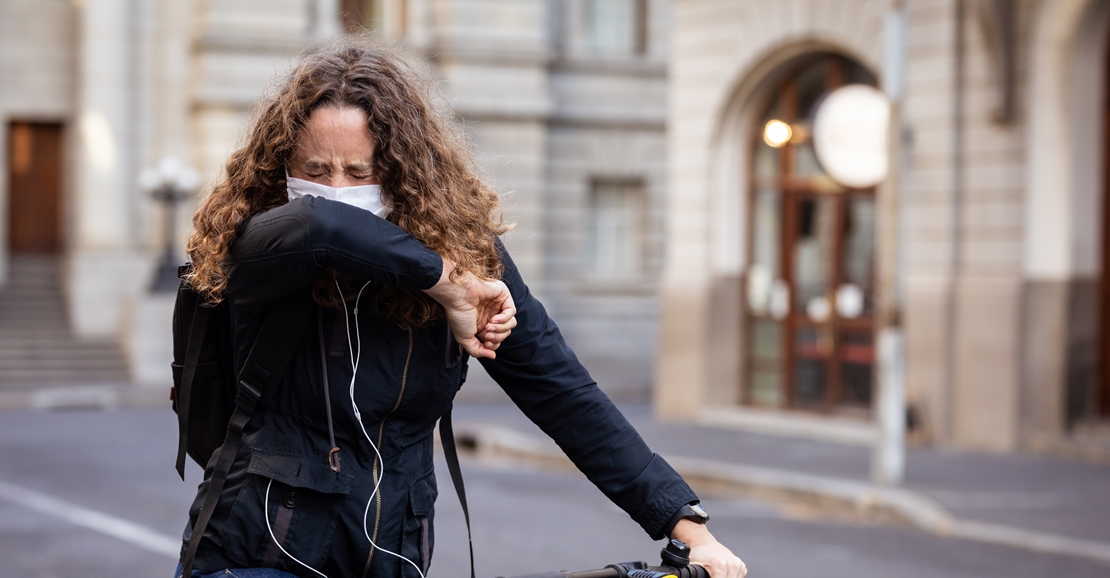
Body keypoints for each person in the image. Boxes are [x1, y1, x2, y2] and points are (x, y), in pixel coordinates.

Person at [178, 40, 747, 578]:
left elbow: (562, 390)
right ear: (281, 168)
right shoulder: (256, 245)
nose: (336, 188)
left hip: (392, 555)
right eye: (315, 170)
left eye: (359, 174)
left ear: (401, 174)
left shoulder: (473, 255)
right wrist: (447, 286)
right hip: (252, 551)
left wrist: (685, 524)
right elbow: (322, 227)